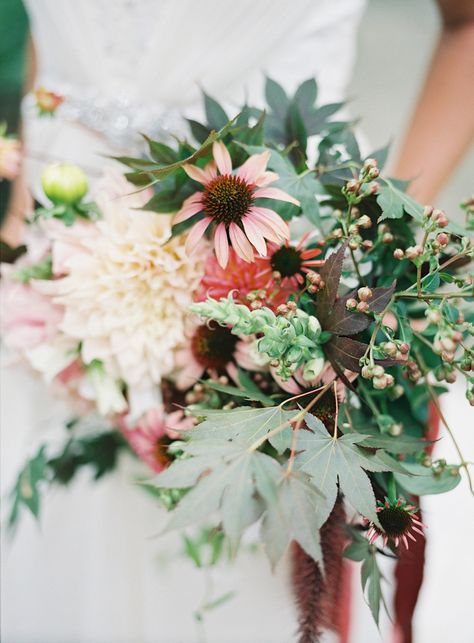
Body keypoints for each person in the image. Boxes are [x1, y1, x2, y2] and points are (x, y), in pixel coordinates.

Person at [1, 1, 473, 642]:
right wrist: (27, 204)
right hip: (54, 278)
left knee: (234, 561)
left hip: (269, 283)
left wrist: (380, 243)